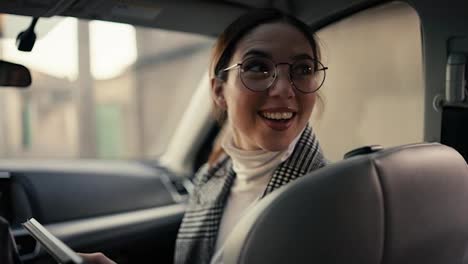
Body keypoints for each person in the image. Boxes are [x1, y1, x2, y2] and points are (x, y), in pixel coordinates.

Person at [80, 7, 328, 264]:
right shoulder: (210, 178)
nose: (283, 89)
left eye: (303, 70)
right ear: (219, 91)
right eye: (258, 67)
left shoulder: (330, 197)